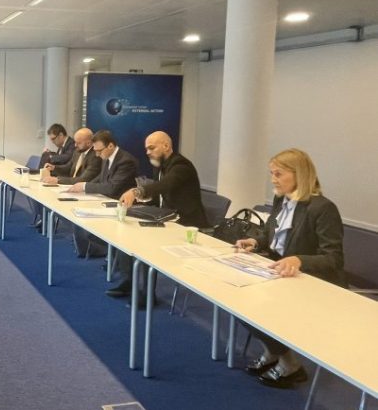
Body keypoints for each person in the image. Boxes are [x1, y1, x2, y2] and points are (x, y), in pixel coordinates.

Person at [235, 148, 345, 389]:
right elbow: (271, 235)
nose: (273, 179)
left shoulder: (322, 208)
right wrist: (255, 242)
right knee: (236, 301)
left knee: (257, 308)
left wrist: (299, 260)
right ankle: (274, 352)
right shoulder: (281, 199)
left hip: (315, 282)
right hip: (281, 274)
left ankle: (290, 365)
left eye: (278, 174)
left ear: (299, 175)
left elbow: (333, 258)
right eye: (271, 173)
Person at [109, 131, 208, 300]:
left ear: (166, 146)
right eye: (147, 149)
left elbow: (164, 185)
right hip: (167, 217)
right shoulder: (161, 166)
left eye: (152, 148)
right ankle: (128, 282)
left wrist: (136, 192)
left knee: (146, 242)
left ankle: (147, 294)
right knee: (126, 235)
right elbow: (158, 195)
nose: (148, 152)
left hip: (185, 223)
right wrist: (142, 201)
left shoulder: (181, 166)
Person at [67, 130, 138, 257]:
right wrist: (82, 187)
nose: (97, 154)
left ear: (110, 146)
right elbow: (101, 178)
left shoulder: (126, 161)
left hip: (121, 205)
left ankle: (105, 252)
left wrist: (85, 186)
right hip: (106, 200)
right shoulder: (106, 157)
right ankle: (89, 249)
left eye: (99, 151)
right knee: (78, 212)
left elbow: (112, 188)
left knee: (87, 219)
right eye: (95, 151)